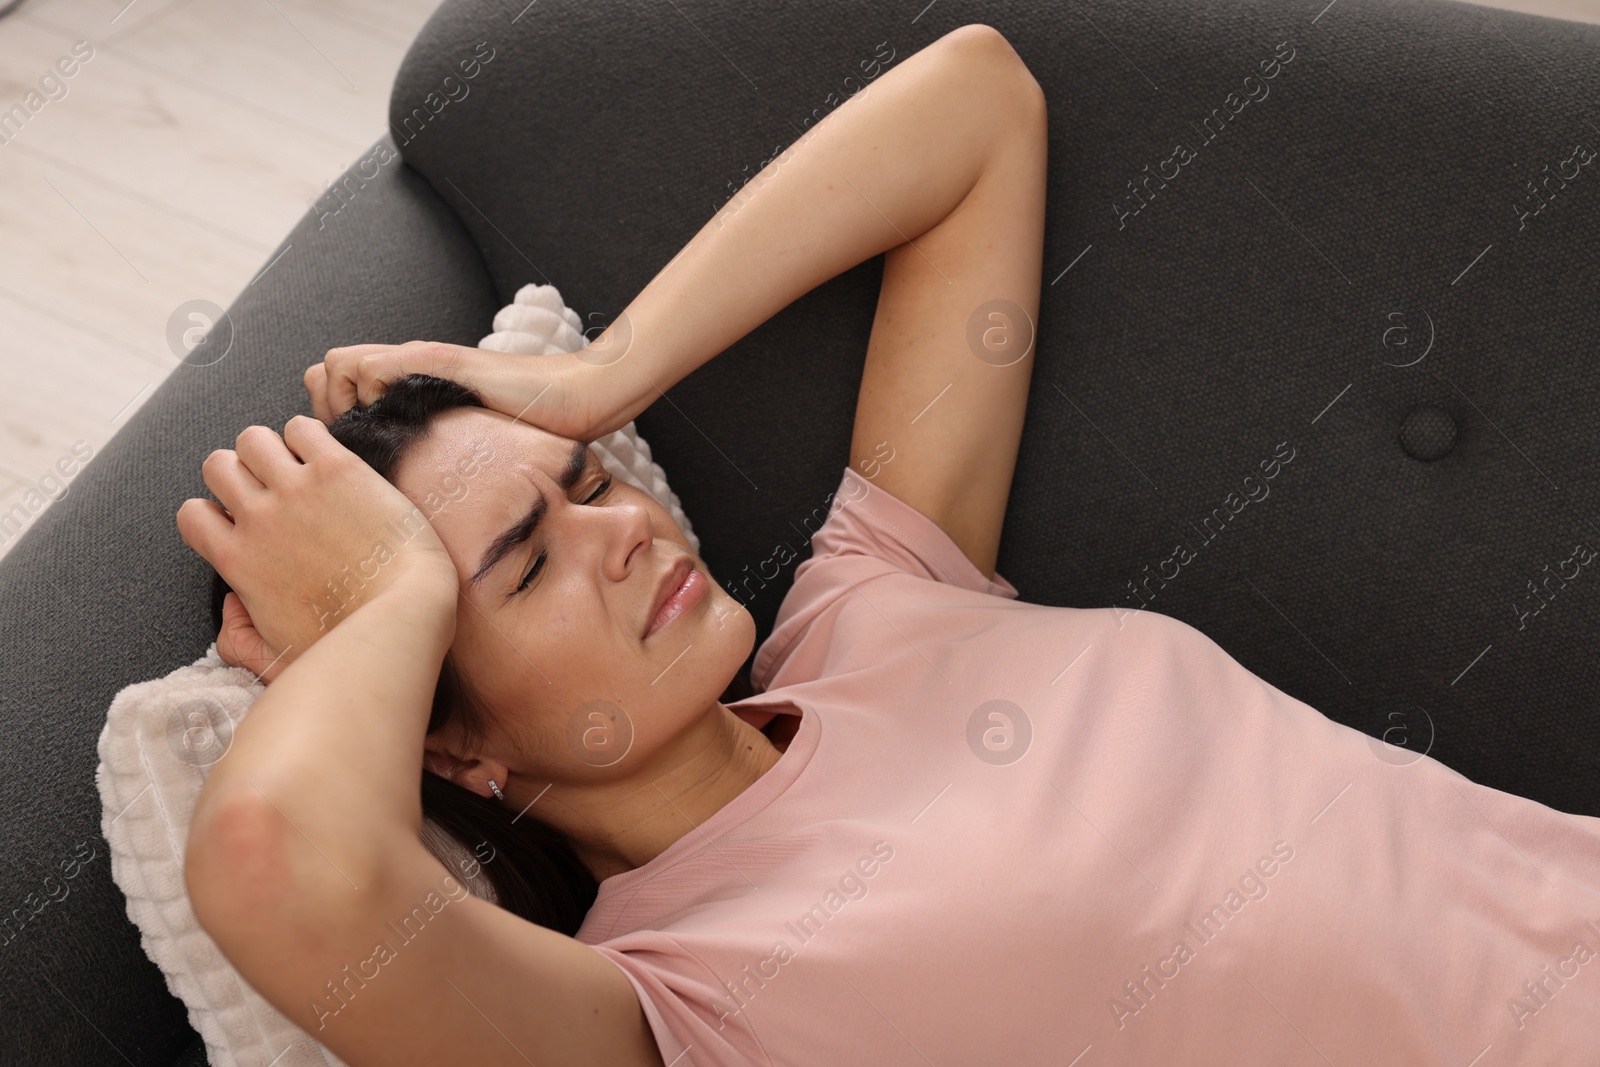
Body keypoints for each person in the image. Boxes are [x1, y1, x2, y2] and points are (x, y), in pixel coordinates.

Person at [175, 22, 1600, 1067]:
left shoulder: (872, 599)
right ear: (456, 749)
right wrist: (381, 596)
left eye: (592, 484)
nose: (617, 534)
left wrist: (598, 378)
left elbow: (974, 102)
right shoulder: (666, 1005)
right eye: (529, 566)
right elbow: (280, 869)